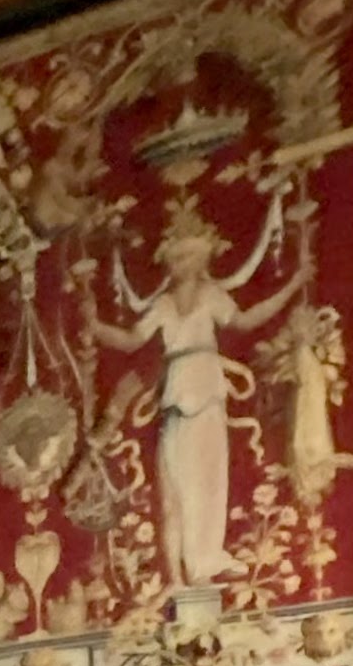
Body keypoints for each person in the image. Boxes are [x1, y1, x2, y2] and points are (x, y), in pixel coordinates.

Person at [86, 191, 309, 589]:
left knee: (207, 481)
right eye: (177, 258)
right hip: (179, 393)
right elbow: (131, 340)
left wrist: (293, 285)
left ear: (202, 258)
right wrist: (94, 324)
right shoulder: (164, 304)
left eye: (189, 256)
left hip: (204, 389)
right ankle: (179, 574)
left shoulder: (210, 296)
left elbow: (246, 320)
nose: (183, 264)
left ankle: (202, 562)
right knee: (178, 488)